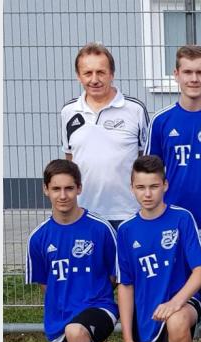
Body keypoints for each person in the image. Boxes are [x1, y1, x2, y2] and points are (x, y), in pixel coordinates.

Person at [26, 159, 130, 342]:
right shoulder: (38, 238)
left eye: (69, 188)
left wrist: (97, 300)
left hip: (98, 307)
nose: (63, 195)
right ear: (45, 190)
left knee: (77, 331)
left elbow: (114, 276)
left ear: (79, 188)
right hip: (60, 317)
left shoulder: (100, 228)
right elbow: (45, 285)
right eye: (56, 188)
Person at [116, 155, 201, 342]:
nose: (147, 193)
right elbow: (126, 285)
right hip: (149, 315)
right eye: (141, 187)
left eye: (154, 186)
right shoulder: (126, 230)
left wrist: (176, 301)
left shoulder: (182, 219)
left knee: (177, 320)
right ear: (132, 188)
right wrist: (127, 340)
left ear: (165, 186)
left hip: (184, 303)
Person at [147, 45, 201, 229]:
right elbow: (150, 174)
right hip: (173, 218)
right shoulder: (161, 121)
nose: (194, 79)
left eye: (200, 72)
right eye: (187, 72)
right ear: (176, 74)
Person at [61, 42, 149, 229]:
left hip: (128, 213)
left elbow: (146, 162)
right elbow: (69, 161)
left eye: (101, 72)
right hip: (84, 213)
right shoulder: (68, 112)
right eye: (87, 73)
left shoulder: (135, 109)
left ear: (112, 74)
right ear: (78, 76)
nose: (94, 79)